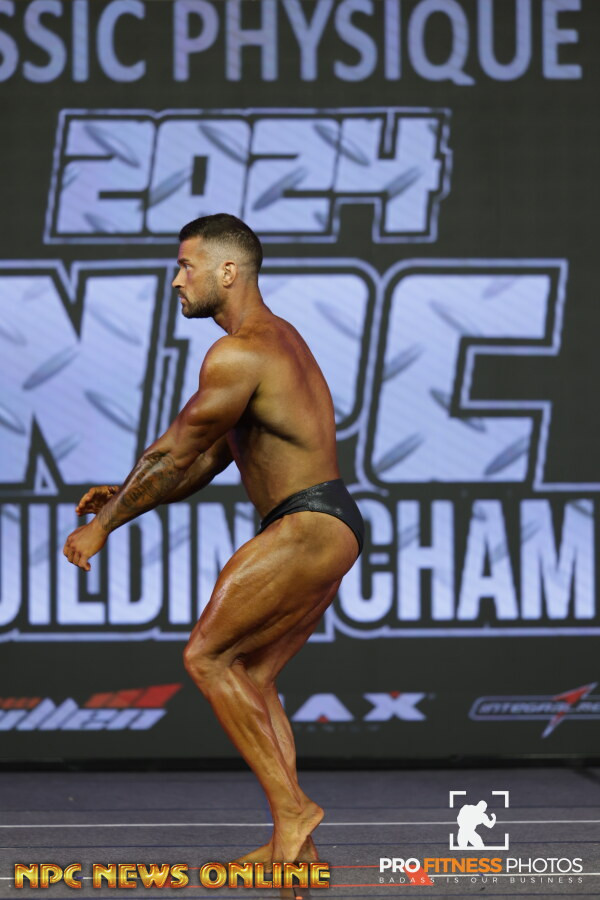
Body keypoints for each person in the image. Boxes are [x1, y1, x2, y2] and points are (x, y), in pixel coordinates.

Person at [63, 213, 364, 869]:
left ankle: (294, 810)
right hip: (330, 522)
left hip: (307, 524)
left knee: (206, 657)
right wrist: (119, 500)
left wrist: (101, 525)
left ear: (227, 272)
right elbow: (203, 463)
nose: (176, 280)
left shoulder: (240, 352)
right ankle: (295, 849)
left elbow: (173, 452)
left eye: (186, 266)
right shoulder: (276, 342)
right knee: (253, 674)